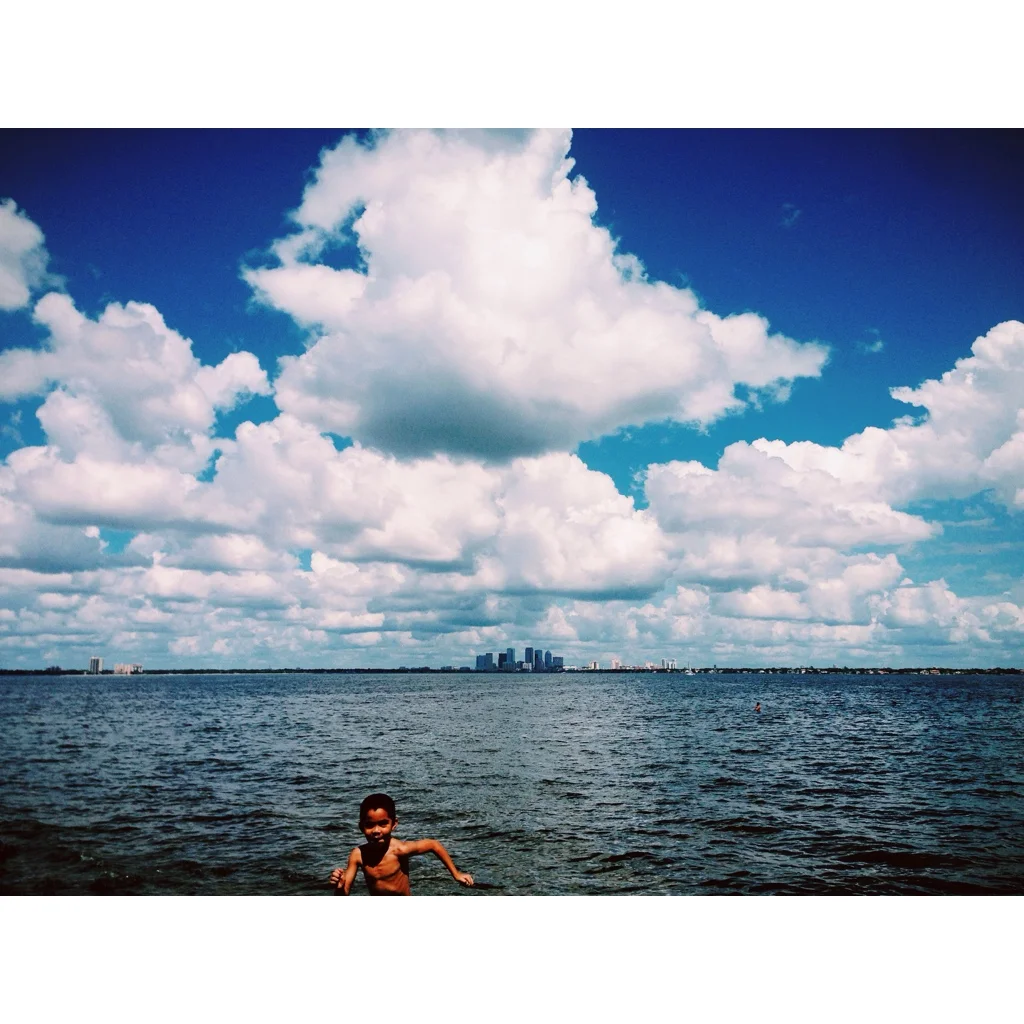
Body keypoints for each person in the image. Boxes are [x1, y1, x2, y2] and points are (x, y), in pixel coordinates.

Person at [329, 793, 474, 895]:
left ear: (394, 824)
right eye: (370, 825)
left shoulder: (400, 849)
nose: (376, 831)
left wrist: (456, 874)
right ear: (361, 827)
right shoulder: (358, 855)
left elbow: (433, 844)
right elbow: (343, 895)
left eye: (383, 824)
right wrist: (340, 887)